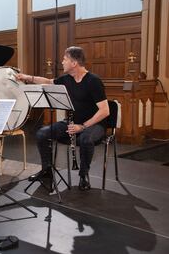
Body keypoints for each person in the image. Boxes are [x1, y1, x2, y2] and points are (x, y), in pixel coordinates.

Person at [16, 46, 109, 191]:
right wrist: (27, 77)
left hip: (94, 124)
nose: (62, 62)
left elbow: (105, 111)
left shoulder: (93, 81)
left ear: (74, 63)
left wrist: (83, 126)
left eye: (65, 60)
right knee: (42, 133)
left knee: (86, 139)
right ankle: (47, 171)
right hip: (72, 122)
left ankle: (83, 176)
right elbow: (47, 82)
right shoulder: (67, 79)